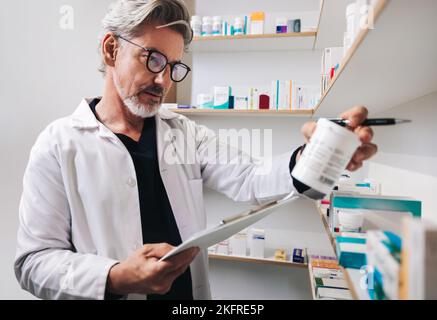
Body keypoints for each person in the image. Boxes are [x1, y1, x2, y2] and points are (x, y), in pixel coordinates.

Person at [14, 0, 377, 300]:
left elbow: (251, 178)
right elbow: (33, 262)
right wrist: (115, 276)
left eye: (173, 67)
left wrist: (317, 155)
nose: (163, 81)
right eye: (153, 59)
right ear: (112, 49)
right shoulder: (58, 144)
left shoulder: (183, 132)